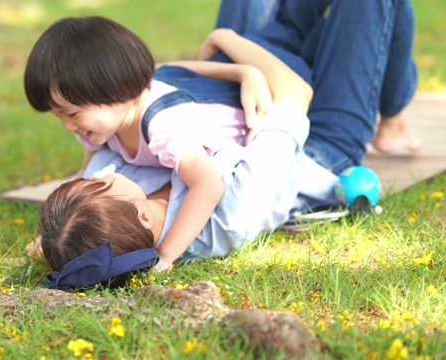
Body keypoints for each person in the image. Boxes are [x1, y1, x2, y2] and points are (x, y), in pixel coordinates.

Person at [31, 0, 418, 289]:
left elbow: (155, 80)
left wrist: (52, 244)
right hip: (313, 139)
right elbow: (293, 93)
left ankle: (309, 49)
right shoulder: (233, 212)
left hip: (226, 92)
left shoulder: (111, 188)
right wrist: (230, 43)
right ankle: (394, 116)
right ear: (144, 218)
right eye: (98, 181)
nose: (99, 172)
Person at [24, 16, 293, 271]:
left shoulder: (164, 129)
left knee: (294, 25)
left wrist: (166, 253)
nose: (68, 126)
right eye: (58, 115)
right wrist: (55, 236)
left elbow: (208, 184)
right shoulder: (101, 124)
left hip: (264, 91)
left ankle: (227, 36)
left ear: (115, 90)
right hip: (217, 76)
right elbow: (164, 71)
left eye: (71, 114)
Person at [214, 0, 422, 156]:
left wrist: (223, 41)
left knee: (307, 31)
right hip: (321, 141)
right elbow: (297, 92)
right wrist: (225, 41)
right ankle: (393, 122)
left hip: (240, 74)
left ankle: (393, 122)